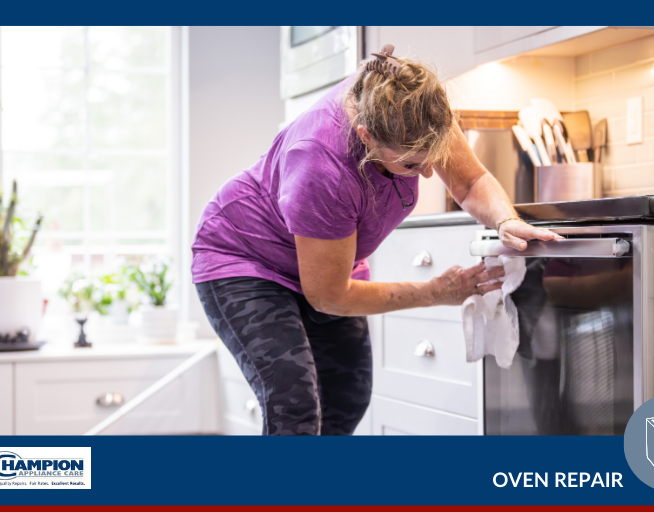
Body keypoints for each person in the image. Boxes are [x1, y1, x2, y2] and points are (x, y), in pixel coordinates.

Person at [192, 44, 562, 435]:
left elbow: (469, 182)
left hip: (325, 264)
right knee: (293, 405)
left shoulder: (418, 110)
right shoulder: (322, 164)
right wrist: (435, 291)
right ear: (366, 136)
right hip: (246, 258)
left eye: (431, 157)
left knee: (346, 396)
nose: (426, 176)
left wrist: (506, 219)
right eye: (412, 164)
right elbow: (329, 296)